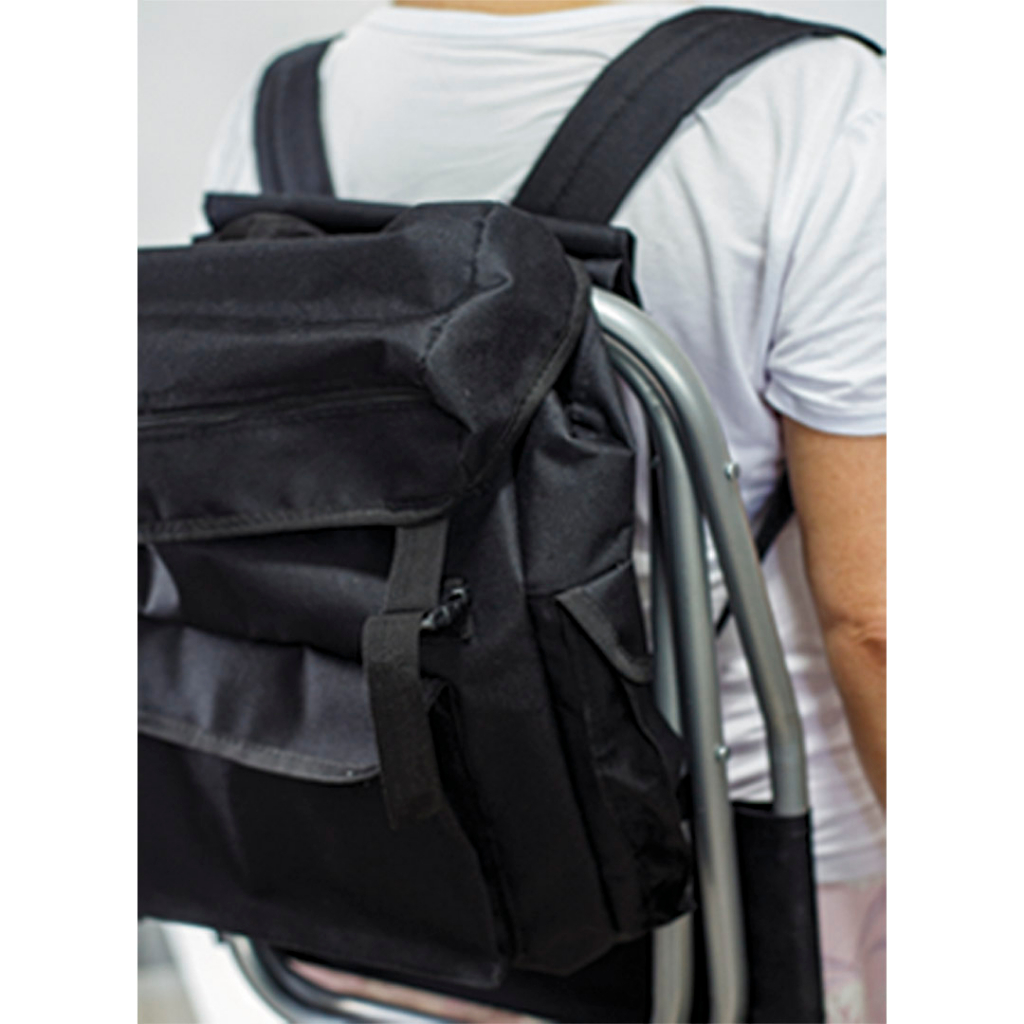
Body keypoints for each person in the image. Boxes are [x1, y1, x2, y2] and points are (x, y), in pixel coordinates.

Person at [201, 2, 886, 1020]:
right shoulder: (819, 108)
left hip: (363, 866)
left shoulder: (279, 107)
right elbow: (876, 621)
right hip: (730, 890)